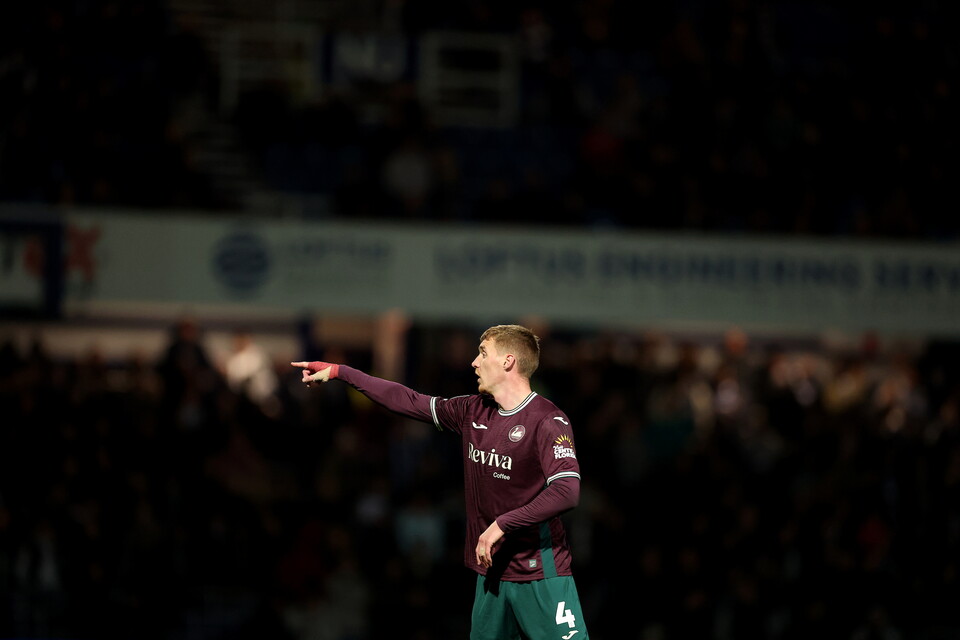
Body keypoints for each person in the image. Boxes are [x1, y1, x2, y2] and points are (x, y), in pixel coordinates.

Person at [292, 324, 590, 640]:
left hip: (540, 573)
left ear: (508, 361)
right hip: (492, 575)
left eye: (483, 353)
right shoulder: (473, 410)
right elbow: (408, 400)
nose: (474, 362)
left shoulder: (548, 420)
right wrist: (341, 372)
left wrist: (503, 524)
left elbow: (566, 491)